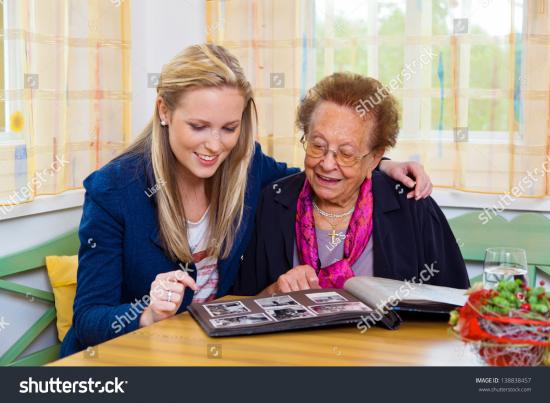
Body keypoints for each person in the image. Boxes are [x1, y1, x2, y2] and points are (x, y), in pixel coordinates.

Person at [61, 45, 433, 357]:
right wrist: (147, 313)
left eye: (229, 128)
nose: (215, 145)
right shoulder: (114, 189)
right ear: (163, 110)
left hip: (204, 356)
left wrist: (380, 164)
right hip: (125, 360)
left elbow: (315, 173)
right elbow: (89, 319)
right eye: (198, 126)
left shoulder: (246, 165)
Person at [234, 72, 469, 296]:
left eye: (346, 153)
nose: (327, 164)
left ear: (375, 157)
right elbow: (241, 305)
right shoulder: (274, 204)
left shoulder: (412, 206)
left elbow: (455, 307)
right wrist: (274, 293)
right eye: (317, 145)